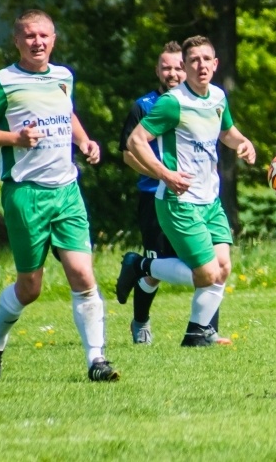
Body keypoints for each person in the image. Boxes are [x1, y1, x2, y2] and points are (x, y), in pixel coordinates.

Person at [0, 9, 119, 382]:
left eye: (44, 35)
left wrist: (84, 141)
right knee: (30, 288)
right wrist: (13, 139)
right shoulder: (3, 82)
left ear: (53, 39)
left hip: (66, 190)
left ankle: (96, 361)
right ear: (17, 41)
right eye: (30, 36)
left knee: (82, 274)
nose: (37, 42)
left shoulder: (63, 76)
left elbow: (67, 114)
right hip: (25, 194)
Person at [116, 35, 256, 347]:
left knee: (223, 267)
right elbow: (135, 141)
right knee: (206, 274)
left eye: (206, 59)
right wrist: (165, 174)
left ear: (215, 64)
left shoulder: (218, 97)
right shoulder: (172, 102)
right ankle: (141, 265)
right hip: (179, 201)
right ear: (186, 66)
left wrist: (244, 143)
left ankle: (196, 334)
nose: (200, 65)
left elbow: (227, 132)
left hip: (210, 200)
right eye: (193, 60)